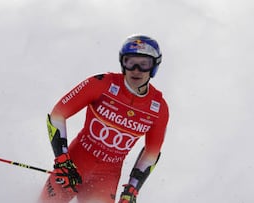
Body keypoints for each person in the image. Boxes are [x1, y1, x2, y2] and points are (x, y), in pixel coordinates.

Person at [39, 34, 169, 203]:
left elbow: (152, 153)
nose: (136, 70)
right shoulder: (102, 84)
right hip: (75, 164)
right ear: (123, 63)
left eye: (144, 64)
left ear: (154, 67)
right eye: (130, 62)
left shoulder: (159, 108)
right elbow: (57, 115)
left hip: (107, 177)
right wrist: (63, 161)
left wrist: (132, 189)